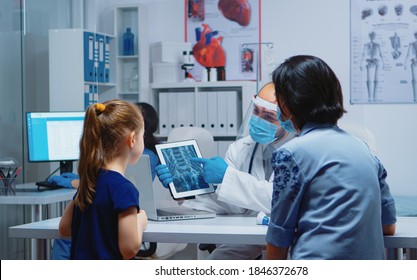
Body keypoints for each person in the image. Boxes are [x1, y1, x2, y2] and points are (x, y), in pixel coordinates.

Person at [267, 55, 396, 260]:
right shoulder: (364, 150)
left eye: (279, 99)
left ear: (291, 102)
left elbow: (278, 240)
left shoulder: (290, 154)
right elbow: (388, 227)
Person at [155, 82, 295, 259]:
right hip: (245, 241)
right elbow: (232, 205)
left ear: (289, 120)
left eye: (269, 116)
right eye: (256, 111)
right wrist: (187, 192)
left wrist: (227, 176)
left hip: (289, 245)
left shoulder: (299, 151)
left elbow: (279, 200)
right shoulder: (240, 148)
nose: (259, 120)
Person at [50, 102, 161, 259]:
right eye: (142, 136)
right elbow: (129, 248)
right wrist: (140, 221)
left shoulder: (90, 182)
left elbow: (65, 228)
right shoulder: (124, 189)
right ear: (132, 140)